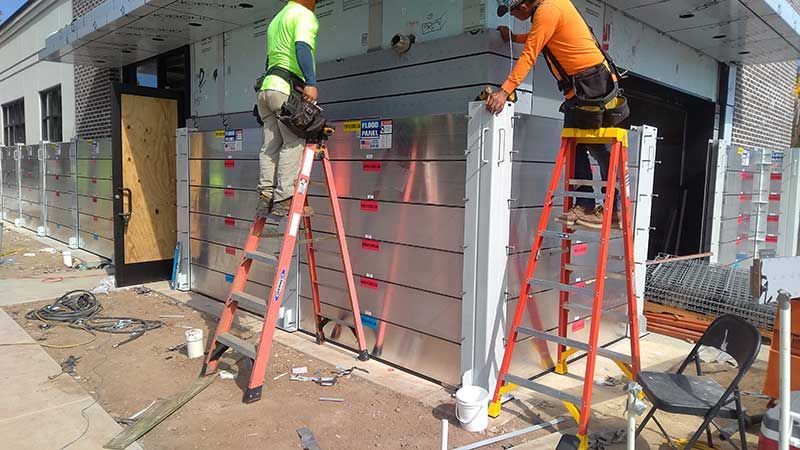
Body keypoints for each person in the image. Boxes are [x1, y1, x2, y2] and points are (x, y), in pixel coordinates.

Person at [486, 0, 628, 229]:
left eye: (511, 12)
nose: (513, 16)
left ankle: (613, 211)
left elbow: (531, 54)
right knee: (575, 147)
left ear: (522, 6)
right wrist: (514, 37)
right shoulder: (550, 8)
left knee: (599, 148)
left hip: (593, 85)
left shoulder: (548, 10)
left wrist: (505, 91)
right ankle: (586, 204)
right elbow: (539, 39)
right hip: (583, 88)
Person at [256, 0, 319, 217]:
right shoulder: (303, 15)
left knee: (270, 144)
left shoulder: (277, 20)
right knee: (293, 142)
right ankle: (284, 199)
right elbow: (302, 47)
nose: (316, 6)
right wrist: (310, 82)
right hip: (284, 89)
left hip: (266, 89)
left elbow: (268, 60)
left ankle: (265, 198)